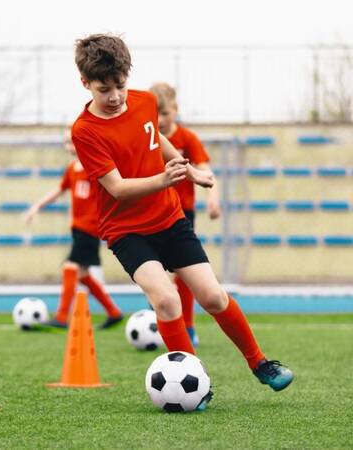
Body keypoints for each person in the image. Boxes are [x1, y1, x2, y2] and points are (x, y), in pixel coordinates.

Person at [71, 34, 293, 407]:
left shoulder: (145, 102)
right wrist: (164, 179)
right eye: (104, 88)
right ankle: (197, 381)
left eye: (120, 85)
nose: (115, 96)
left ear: (128, 76)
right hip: (126, 231)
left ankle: (260, 364)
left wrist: (188, 172)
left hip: (169, 219)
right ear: (85, 84)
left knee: (213, 296)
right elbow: (117, 188)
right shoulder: (85, 131)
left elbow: (155, 138)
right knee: (168, 301)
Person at [24, 129, 123, 329]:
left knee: (70, 268)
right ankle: (114, 312)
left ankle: (61, 317)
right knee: (83, 274)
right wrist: (36, 206)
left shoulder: (94, 166)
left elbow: (113, 189)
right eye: (66, 142)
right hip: (78, 228)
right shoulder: (72, 168)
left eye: (72, 141)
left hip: (91, 227)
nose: (69, 146)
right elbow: (59, 190)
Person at [149, 82, 221, 347]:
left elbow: (205, 168)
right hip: (151, 213)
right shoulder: (146, 138)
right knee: (156, 277)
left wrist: (212, 199)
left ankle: (188, 326)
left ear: (175, 110)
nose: (161, 120)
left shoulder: (187, 138)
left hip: (181, 213)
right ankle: (166, 322)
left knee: (183, 273)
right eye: (156, 115)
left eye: (165, 113)